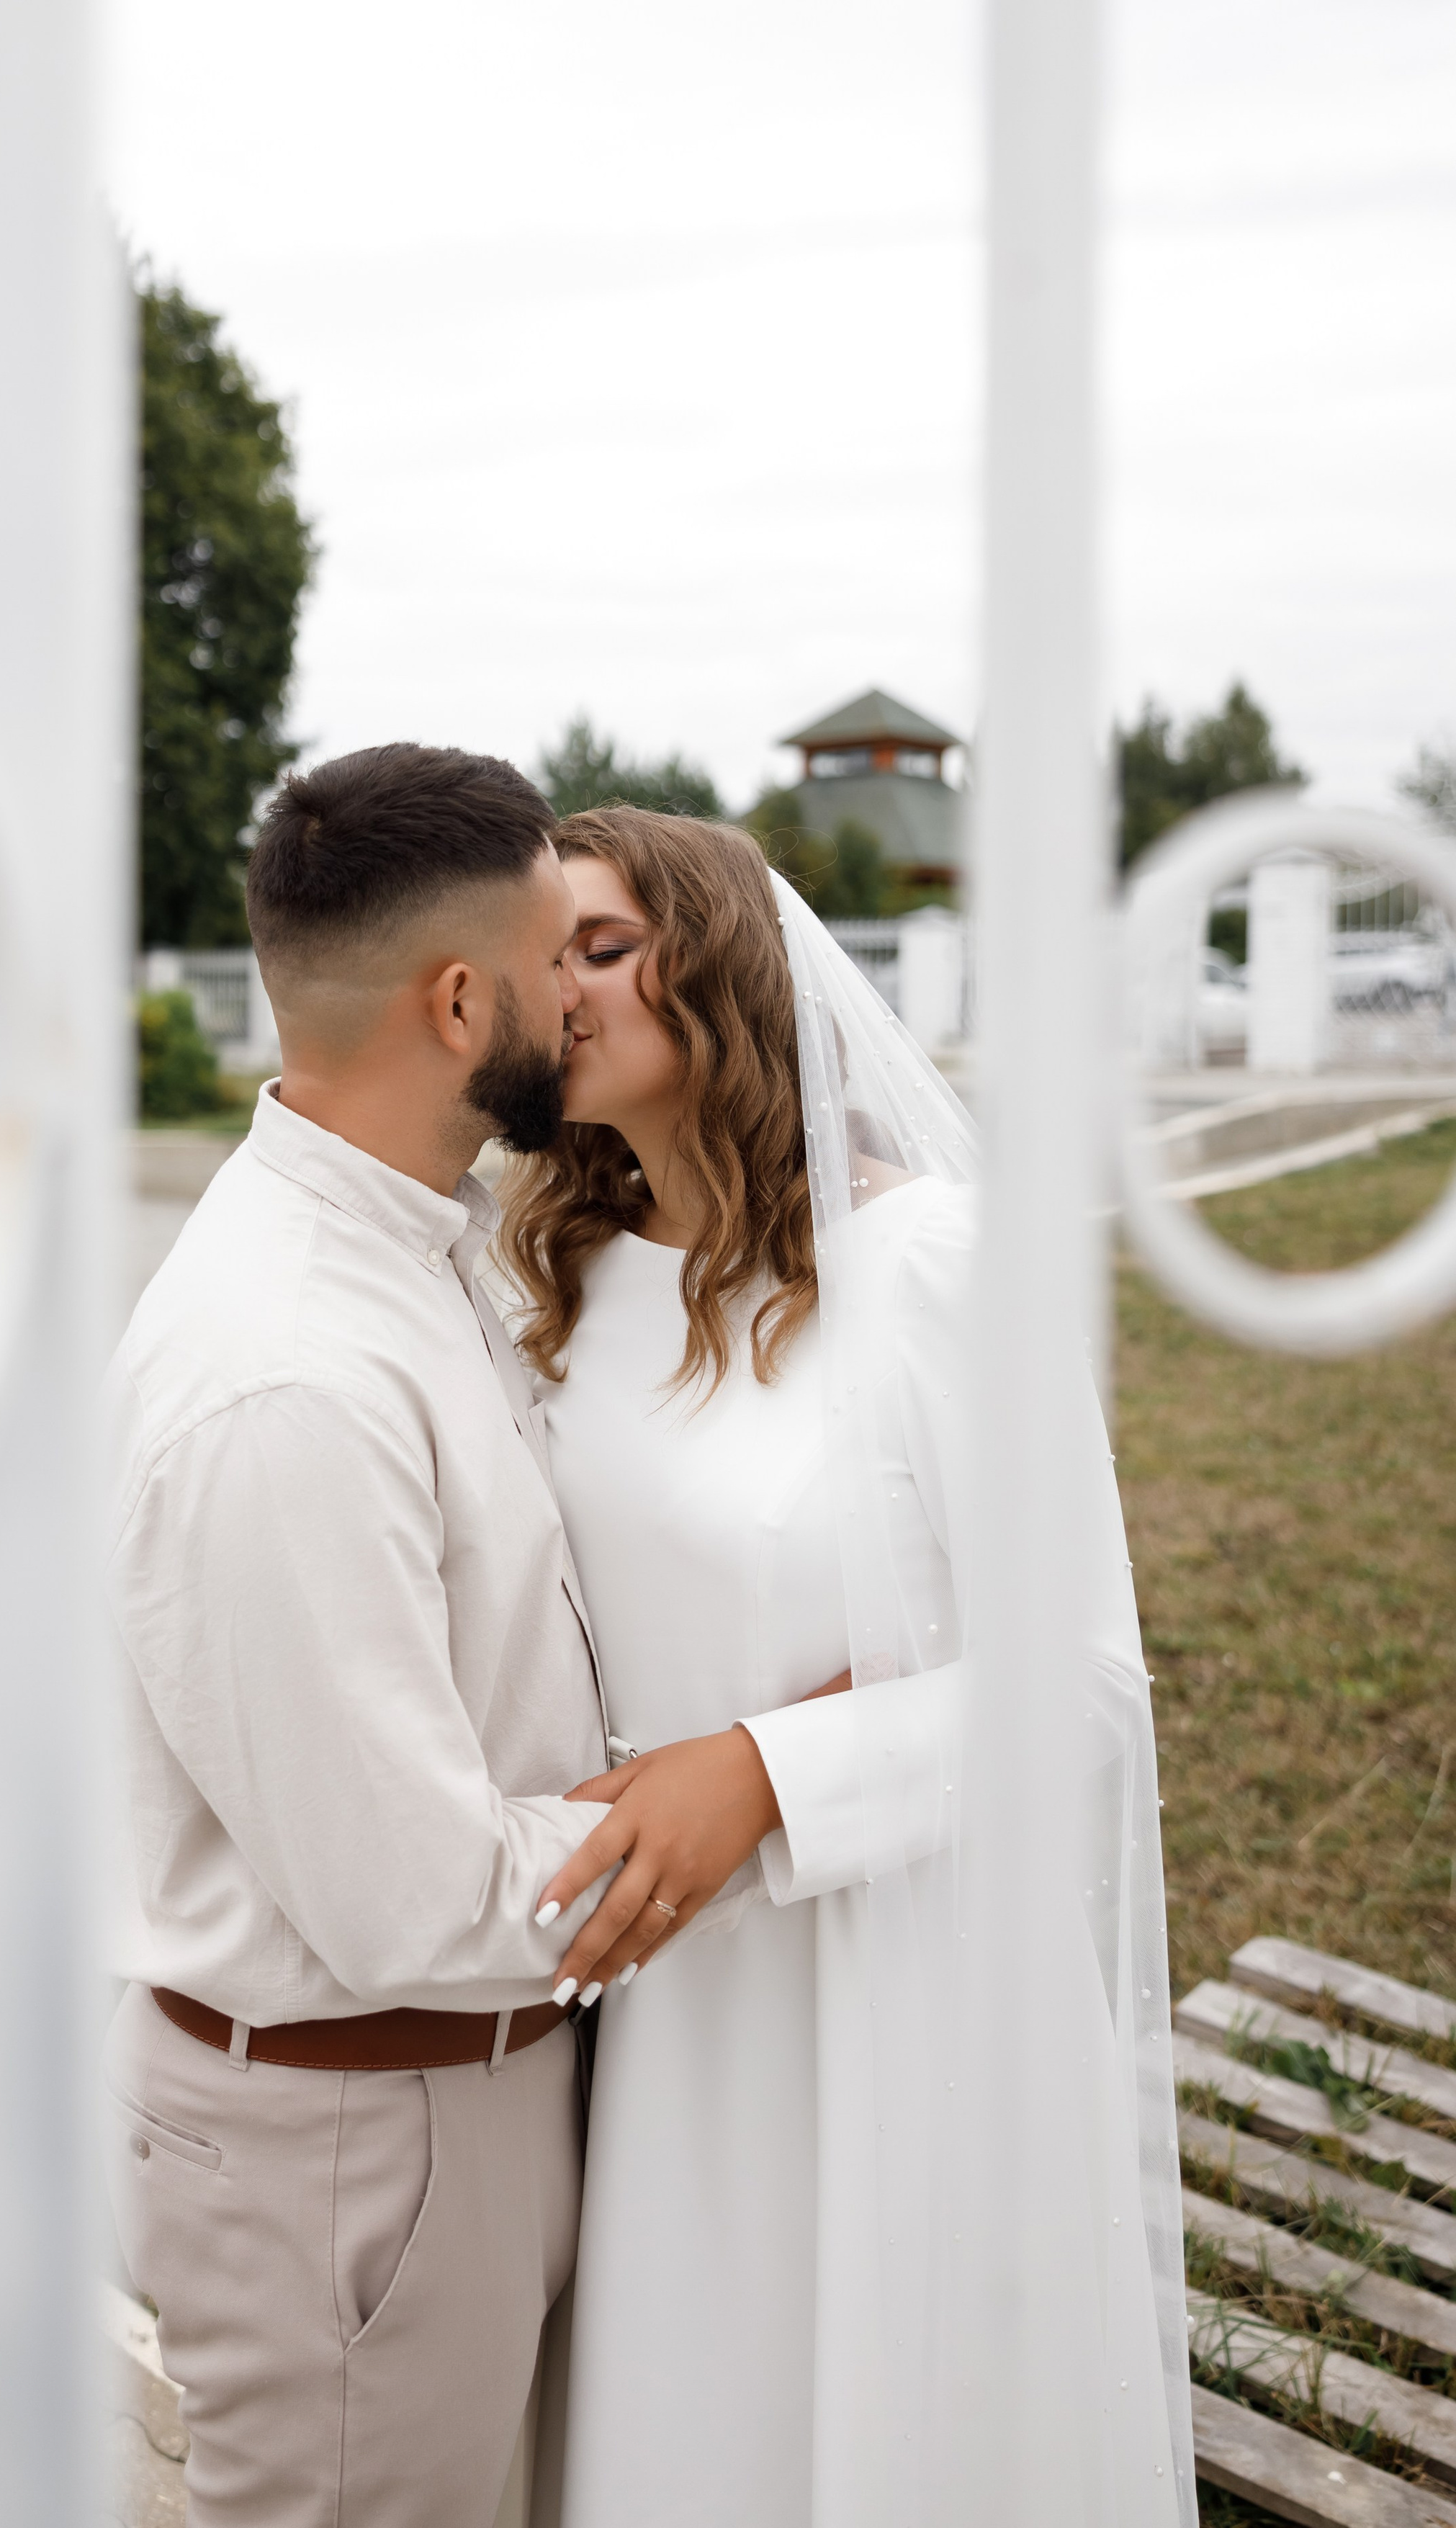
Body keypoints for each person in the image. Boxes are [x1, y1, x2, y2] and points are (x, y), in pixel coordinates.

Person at [497, 809, 1195, 2528]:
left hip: (890, 1973)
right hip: (653, 1992)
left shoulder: (932, 1262)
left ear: (720, 962)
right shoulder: (558, 1275)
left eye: (603, 946)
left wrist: (758, 1773)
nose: (560, 990)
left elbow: (1080, 1679)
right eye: (538, 956)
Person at [102, 743, 619, 2528]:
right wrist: (736, 1804)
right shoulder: (287, 1377)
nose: (580, 993)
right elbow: (411, 1896)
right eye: (557, 957)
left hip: (451, 2094)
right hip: (350, 2147)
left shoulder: (419, 1242)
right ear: (458, 1001)